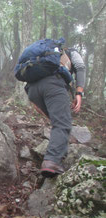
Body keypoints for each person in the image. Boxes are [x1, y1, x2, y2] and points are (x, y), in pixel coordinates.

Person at [25, 47, 86, 178]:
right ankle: (52, 161)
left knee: (58, 122)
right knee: (62, 123)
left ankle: (58, 153)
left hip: (32, 89)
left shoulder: (42, 55)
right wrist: (79, 93)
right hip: (53, 84)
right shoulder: (71, 52)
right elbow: (80, 67)